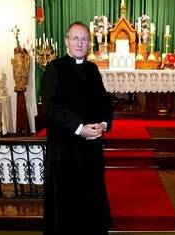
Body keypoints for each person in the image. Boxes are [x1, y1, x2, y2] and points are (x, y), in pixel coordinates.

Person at [41, 21, 113, 235]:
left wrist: (103, 124)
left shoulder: (92, 69)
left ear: (89, 43)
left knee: (91, 196)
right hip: (65, 149)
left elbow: (103, 102)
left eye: (84, 39)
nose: (80, 43)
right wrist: (80, 128)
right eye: (75, 38)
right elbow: (51, 107)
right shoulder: (55, 68)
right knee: (67, 199)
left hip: (90, 148)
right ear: (66, 42)